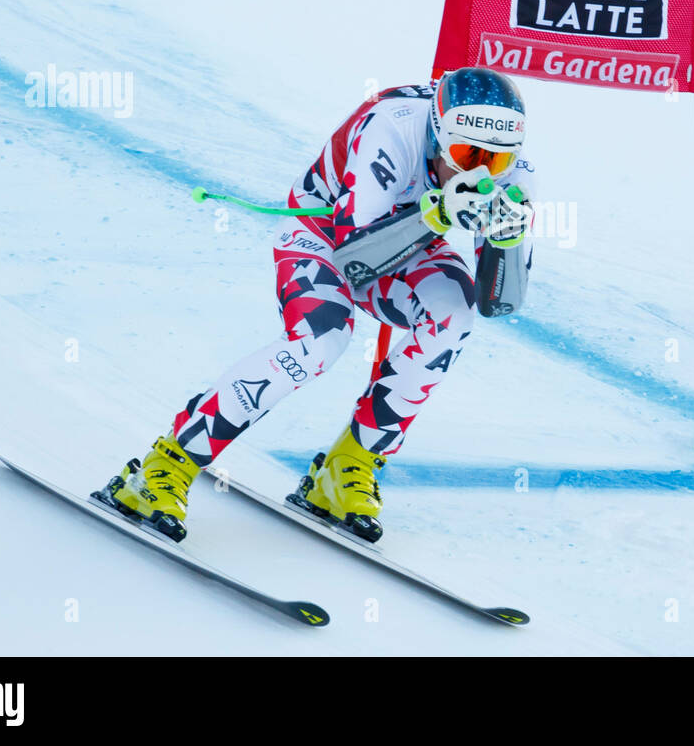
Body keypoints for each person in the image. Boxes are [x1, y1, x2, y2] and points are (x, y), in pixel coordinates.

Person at [98, 67, 534, 543]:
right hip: (325, 233)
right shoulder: (393, 127)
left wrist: (507, 241)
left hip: (411, 239)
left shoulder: (516, 170)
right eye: (468, 155)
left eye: (495, 162)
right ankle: (163, 468)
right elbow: (353, 261)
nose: (479, 171)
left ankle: (348, 466)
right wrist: (440, 214)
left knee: (454, 314)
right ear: (435, 131)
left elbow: (501, 303)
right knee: (322, 341)